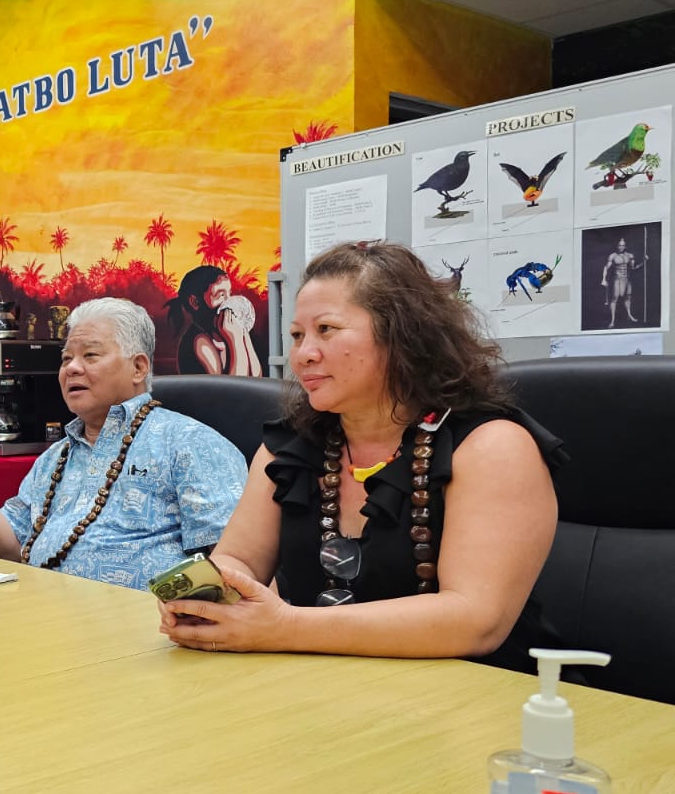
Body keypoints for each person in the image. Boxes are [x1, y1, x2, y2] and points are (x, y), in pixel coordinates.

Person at [157, 241, 563, 661]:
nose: (302, 355)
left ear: (402, 333)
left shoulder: (491, 447)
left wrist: (284, 626)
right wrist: (207, 597)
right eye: (297, 335)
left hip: (487, 700)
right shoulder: (288, 450)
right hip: (324, 689)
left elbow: (475, 621)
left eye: (326, 330)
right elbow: (239, 559)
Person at [0, 297, 247, 589]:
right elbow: (7, 547)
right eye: (66, 359)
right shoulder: (55, 458)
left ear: (139, 367)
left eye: (91, 356)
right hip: (48, 625)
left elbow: (237, 568)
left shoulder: (191, 444)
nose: (71, 369)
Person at [165, 264, 262, 375]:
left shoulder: (226, 334)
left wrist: (243, 333)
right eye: (220, 295)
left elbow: (256, 377)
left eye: (229, 294)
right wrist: (236, 341)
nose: (228, 302)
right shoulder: (200, 341)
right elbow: (233, 389)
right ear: (195, 302)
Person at [601, 236, 643, 327]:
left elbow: (633, 268)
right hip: (617, 279)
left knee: (628, 298)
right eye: (619, 245)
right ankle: (612, 321)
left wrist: (643, 261)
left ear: (625, 246)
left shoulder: (630, 255)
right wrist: (603, 279)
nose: (621, 247)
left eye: (623, 245)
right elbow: (606, 267)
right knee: (614, 299)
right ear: (617, 246)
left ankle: (629, 315)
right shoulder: (613, 256)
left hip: (626, 279)